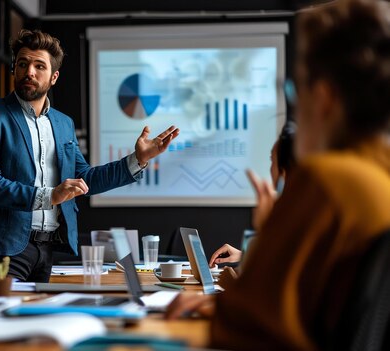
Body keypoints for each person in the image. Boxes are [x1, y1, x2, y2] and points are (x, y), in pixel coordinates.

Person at [166, 1, 390, 350]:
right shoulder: (380, 175)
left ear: (325, 98)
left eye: (294, 90)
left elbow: (245, 328)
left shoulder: (327, 181)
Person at [0, 29, 179, 287]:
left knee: (41, 324)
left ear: (53, 77)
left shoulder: (63, 123)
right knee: (2, 322)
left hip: (49, 249)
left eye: (39, 66)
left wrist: (138, 159)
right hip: (5, 250)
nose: (29, 72)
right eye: (22, 64)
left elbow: (84, 179)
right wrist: (50, 196)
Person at [209, 121, 297, 267]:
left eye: (272, 161)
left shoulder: (290, 218)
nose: (270, 169)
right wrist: (245, 255)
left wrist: (265, 226)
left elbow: (269, 280)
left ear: (284, 172)